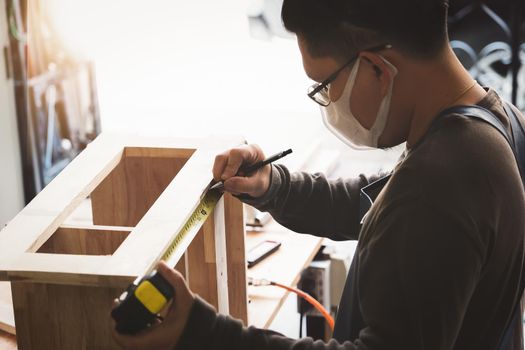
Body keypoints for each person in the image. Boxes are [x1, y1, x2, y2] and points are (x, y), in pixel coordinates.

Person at [112, 0, 525, 349]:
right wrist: (275, 186)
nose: (328, 103)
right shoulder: (493, 125)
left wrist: (203, 333)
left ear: (377, 69)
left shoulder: (441, 184)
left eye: (325, 86)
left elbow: (414, 209)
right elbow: (381, 203)